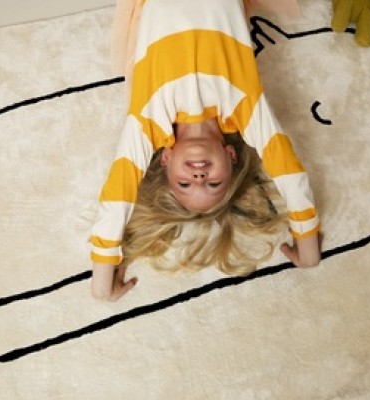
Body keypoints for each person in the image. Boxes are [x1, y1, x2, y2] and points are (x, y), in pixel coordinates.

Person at [91, 0, 321, 301]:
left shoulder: (149, 119)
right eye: (214, 183)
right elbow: (288, 170)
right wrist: (308, 244)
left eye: (184, 184)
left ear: (166, 159)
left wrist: (101, 282)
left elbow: (118, 191)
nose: (199, 178)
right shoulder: (244, 108)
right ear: (231, 156)